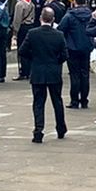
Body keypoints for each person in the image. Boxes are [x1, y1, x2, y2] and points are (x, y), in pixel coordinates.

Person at [18, 7, 68, 142]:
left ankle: (38, 130)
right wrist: (56, 62)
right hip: (53, 72)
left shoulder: (32, 33)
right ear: (53, 20)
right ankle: (61, 128)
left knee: (38, 103)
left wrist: (34, 59)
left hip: (38, 71)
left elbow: (22, 51)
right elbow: (64, 55)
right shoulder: (59, 35)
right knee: (57, 101)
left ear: (41, 18)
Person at [59, 0, 94, 109]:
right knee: (85, 74)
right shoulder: (91, 15)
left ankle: (74, 100)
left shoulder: (69, 16)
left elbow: (61, 29)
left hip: (72, 48)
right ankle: (84, 100)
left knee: (74, 75)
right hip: (86, 47)